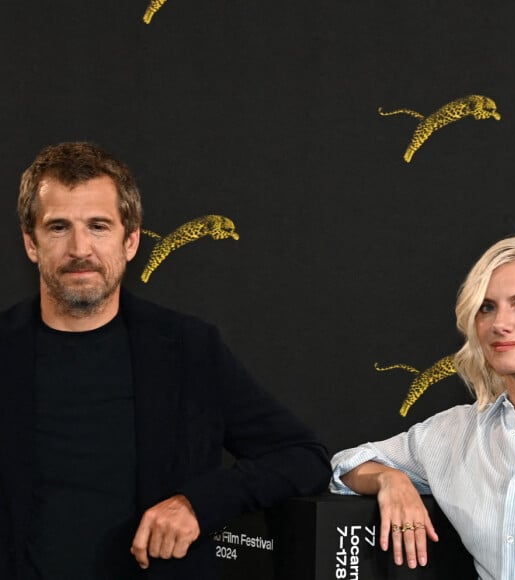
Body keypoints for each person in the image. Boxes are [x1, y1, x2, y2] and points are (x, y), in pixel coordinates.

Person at [0, 141, 331, 579]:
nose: (80, 248)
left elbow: (302, 457)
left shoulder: (189, 349)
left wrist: (197, 503)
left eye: (99, 226)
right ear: (31, 243)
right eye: (59, 227)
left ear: (131, 240)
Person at [330, 234, 515, 579]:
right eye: (486, 307)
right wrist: (391, 479)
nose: (499, 323)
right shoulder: (455, 433)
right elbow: (347, 465)